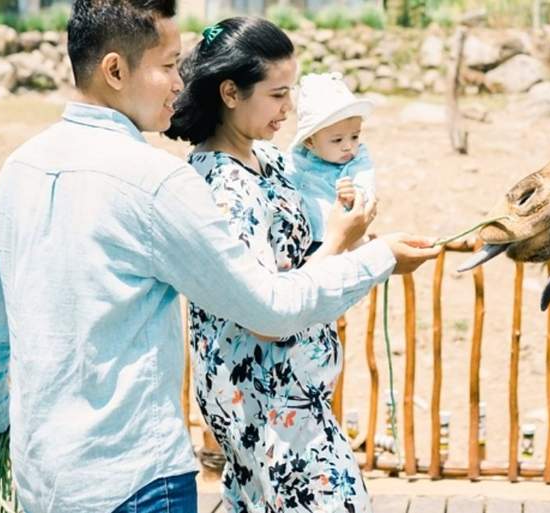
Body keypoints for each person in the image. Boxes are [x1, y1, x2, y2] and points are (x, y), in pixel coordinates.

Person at [0, 1, 439, 511]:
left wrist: (0, 425)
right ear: (115, 70)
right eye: (167, 66)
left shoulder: (20, 168)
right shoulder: (155, 182)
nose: (181, 83)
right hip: (138, 480)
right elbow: (268, 308)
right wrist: (376, 256)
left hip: (42, 480)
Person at [162, 17, 382, 512]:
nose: (291, 109)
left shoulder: (267, 159)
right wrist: (347, 244)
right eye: (278, 94)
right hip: (268, 403)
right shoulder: (224, 189)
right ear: (231, 93)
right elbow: (265, 314)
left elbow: (301, 255)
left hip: (286, 399)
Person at [286, 72, 376, 249]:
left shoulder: (357, 160)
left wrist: (354, 195)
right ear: (310, 142)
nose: (348, 146)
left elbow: (365, 185)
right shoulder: (297, 157)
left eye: (355, 136)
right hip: (302, 235)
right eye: (337, 140)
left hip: (341, 237)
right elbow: (286, 178)